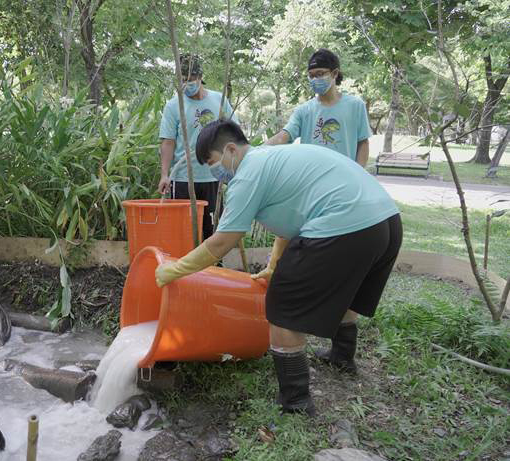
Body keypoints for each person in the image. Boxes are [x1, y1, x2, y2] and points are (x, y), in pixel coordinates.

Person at [155, 119, 402, 416]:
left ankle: (295, 401)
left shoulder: (247, 174)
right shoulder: (272, 158)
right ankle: (342, 357)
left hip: (345, 225)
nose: (214, 172)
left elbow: (221, 243)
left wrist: (175, 269)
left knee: (283, 306)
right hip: (385, 222)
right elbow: (290, 223)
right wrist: (274, 264)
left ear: (231, 149)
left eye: (212, 162)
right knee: (346, 289)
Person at [158, 54, 238, 239]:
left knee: (213, 230)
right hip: (183, 178)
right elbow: (168, 142)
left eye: (191, 79)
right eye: (182, 80)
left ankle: (214, 267)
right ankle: (185, 267)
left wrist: (233, 167)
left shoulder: (219, 100)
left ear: (200, 77)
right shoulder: (173, 106)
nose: (187, 84)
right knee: (183, 232)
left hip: (214, 175)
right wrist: (164, 174)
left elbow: (234, 133)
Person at [267, 49, 371, 167]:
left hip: (345, 180)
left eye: (320, 74)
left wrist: (358, 174)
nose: (315, 79)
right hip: (312, 180)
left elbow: (363, 143)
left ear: (335, 73)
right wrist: (256, 151)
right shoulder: (303, 110)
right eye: (311, 75)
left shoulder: (355, 106)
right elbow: (283, 137)